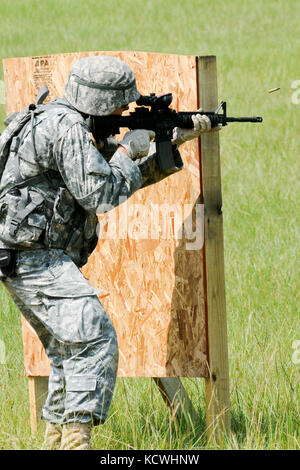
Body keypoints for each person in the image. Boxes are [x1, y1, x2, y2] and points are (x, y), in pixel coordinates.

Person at [0, 55, 217, 450]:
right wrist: (125, 153)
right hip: (32, 256)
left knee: (69, 351)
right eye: (120, 104)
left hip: (24, 256)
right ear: (101, 102)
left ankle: (55, 441)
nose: (124, 112)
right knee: (94, 338)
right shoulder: (66, 128)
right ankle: (77, 442)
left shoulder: (64, 122)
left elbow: (115, 181)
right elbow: (100, 194)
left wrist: (174, 140)